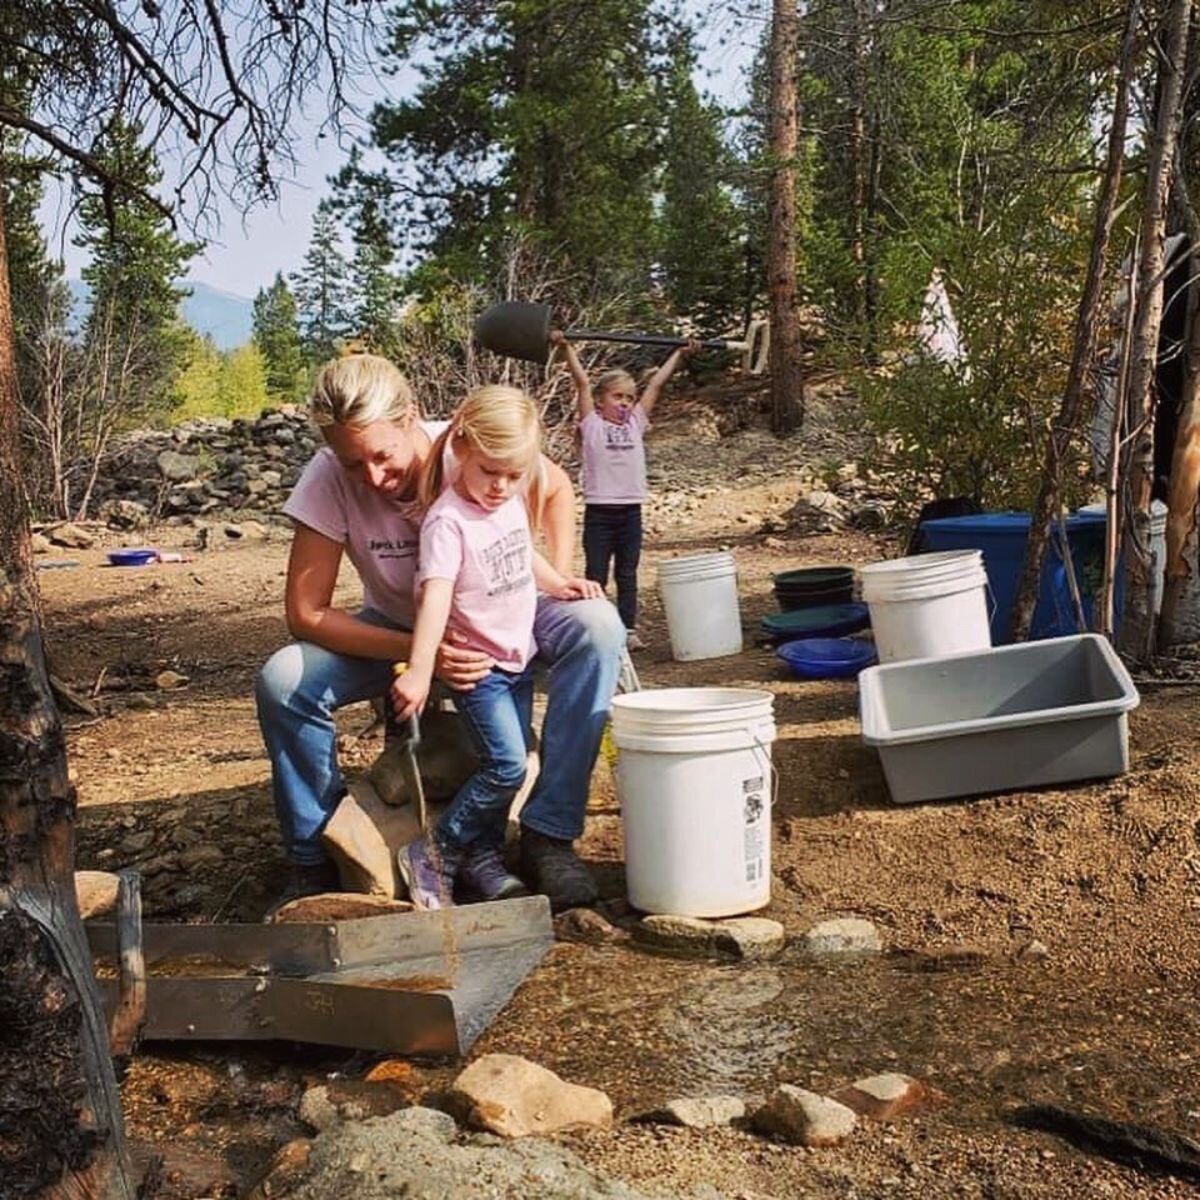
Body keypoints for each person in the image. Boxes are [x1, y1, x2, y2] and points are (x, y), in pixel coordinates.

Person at [255, 354, 624, 913]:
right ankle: (314, 858)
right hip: (401, 634)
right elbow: (306, 613)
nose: (373, 477)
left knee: (597, 626)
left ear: (412, 417)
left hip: (498, 624)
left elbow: (555, 486)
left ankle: (550, 833)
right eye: (354, 464)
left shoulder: (474, 452)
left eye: (382, 456)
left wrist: (555, 577)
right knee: (283, 680)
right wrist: (421, 654)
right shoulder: (328, 478)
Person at [391, 386, 602, 908]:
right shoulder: (447, 522)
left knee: (509, 759)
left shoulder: (506, 498)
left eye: (514, 475)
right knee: (505, 765)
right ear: (461, 448)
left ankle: (481, 856)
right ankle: (433, 852)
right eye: (490, 472)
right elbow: (434, 597)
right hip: (482, 666)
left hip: (517, 654)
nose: (501, 487)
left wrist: (556, 582)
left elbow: (521, 549)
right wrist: (420, 670)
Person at [554, 332, 699, 650]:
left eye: (629, 398)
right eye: (617, 397)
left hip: (630, 512)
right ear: (601, 400)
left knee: (628, 573)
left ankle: (628, 629)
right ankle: (598, 628)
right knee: (595, 574)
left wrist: (679, 352)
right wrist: (566, 348)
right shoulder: (592, 424)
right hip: (600, 514)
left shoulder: (635, 423)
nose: (624, 403)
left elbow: (657, 384)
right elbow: (580, 382)